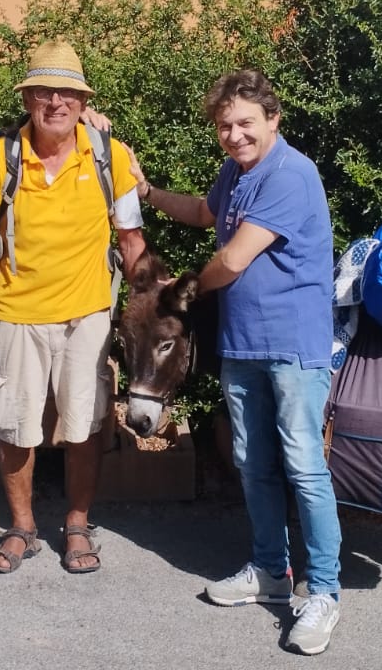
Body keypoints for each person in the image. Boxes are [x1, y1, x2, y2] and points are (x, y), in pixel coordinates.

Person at [131, 69, 342, 654]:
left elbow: (233, 258)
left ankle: (323, 592)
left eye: (246, 123)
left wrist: (180, 287)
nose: (234, 134)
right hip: (242, 344)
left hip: (292, 346)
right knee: (252, 462)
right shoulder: (236, 172)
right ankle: (272, 573)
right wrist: (148, 195)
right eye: (225, 126)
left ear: (273, 119)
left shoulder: (291, 175)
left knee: (303, 465)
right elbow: (204, 210)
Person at [0, 39, 145, 575]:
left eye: (66, 93)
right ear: (28, 98)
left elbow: (131, 239)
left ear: (83, 103)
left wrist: (147, 307)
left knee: (85, 424)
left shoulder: (111, 156)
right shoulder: (0, 155)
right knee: (13, 426)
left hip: (88, 315)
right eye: (43, 92)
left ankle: (77, 525)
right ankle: (22, 528)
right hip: (14, 312)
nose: (55, 102)